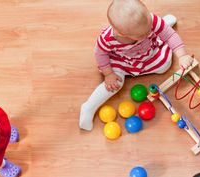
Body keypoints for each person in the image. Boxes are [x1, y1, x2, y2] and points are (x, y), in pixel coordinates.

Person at [79, 0, 194, 131]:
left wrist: (183, 55)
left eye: (149, 27)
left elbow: (170, 35)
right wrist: (108, 74)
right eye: (142, 34)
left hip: (148, 53)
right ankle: (88, 107)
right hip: (122, 60)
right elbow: (100, 55)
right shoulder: (106, 39)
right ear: (121, 34)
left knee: (164, 65)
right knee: (115, 83)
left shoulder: (149, 20)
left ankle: (163, 25)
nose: (146, 33)